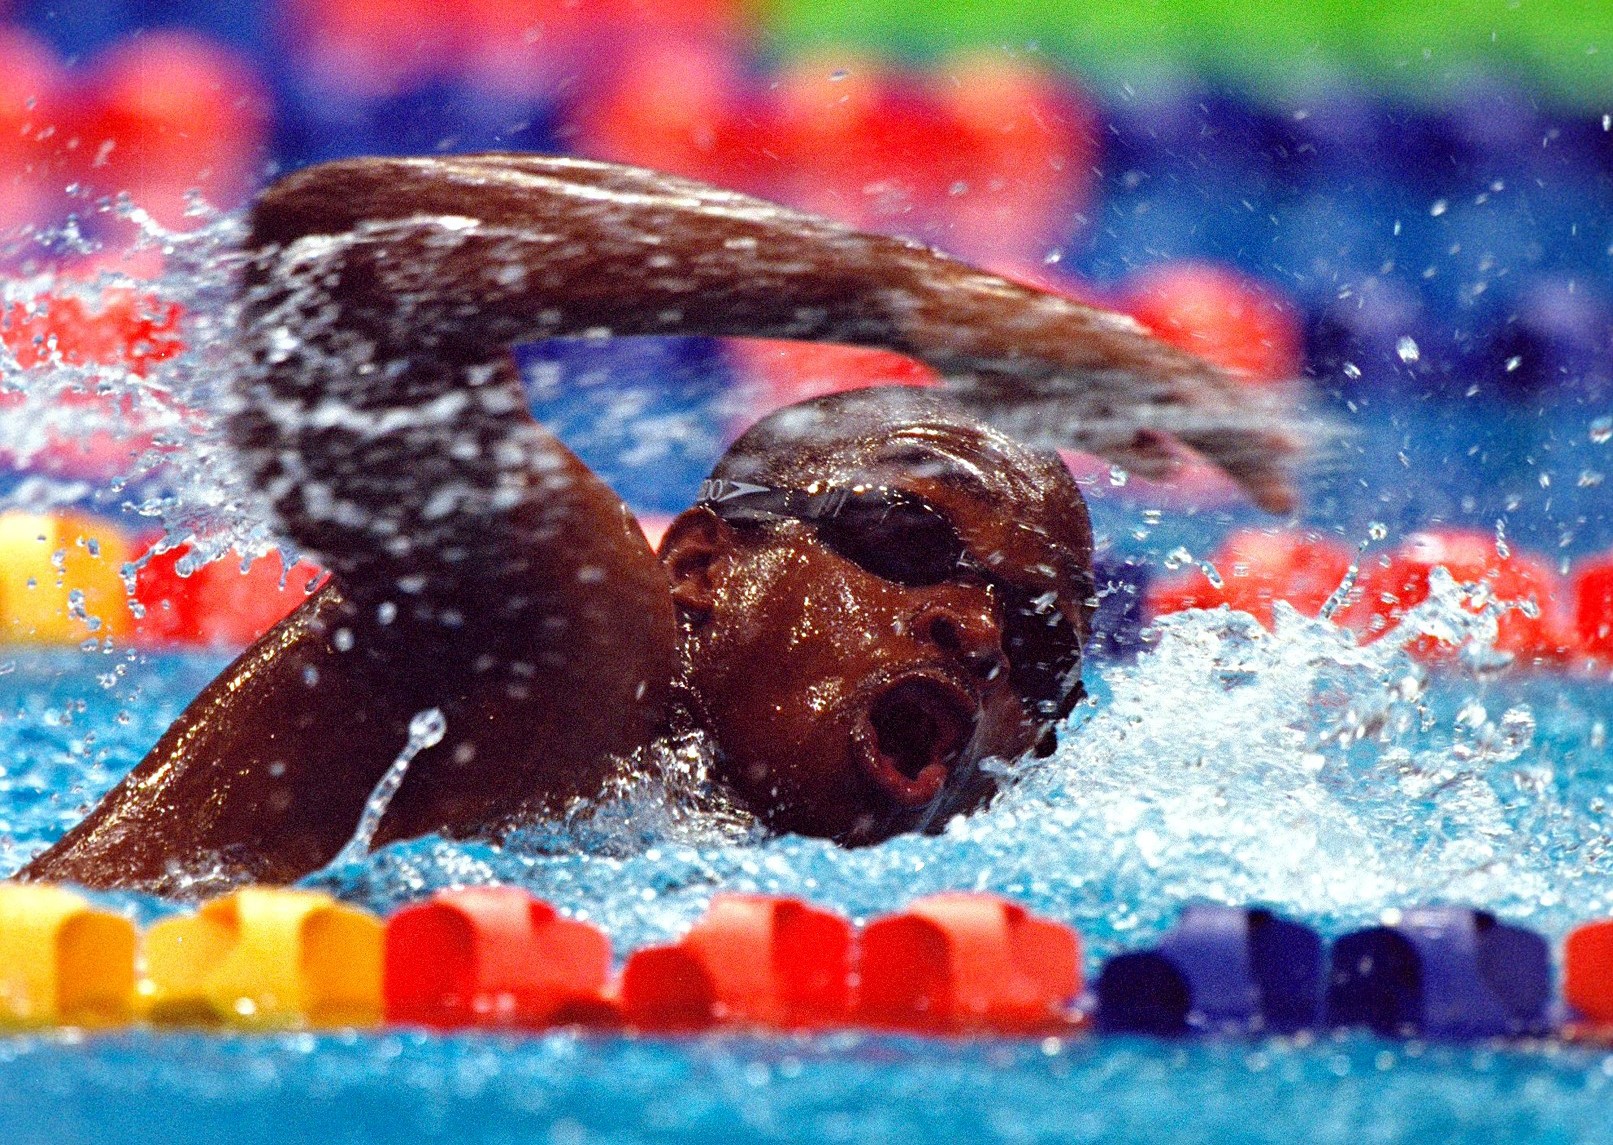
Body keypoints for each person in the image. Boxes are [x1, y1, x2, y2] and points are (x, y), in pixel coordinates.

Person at [20, 155, 1298, 895]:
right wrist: (894, 291)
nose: (973, 626)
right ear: (699, 566)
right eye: (906, 536)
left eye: (1039, 635)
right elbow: (346, 253)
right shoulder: (586, 631)